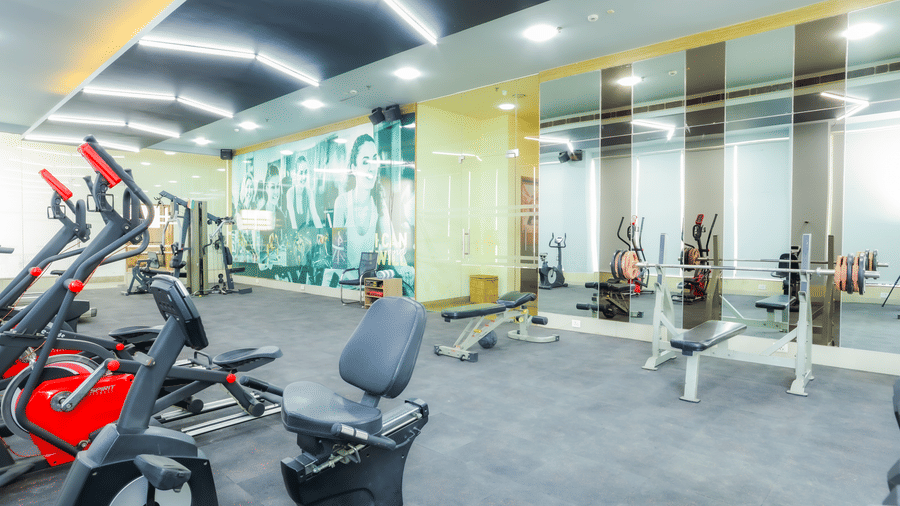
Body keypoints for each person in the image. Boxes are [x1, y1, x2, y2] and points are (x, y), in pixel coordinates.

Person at [332, 134, 391, 271]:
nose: (371, 168)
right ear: (354, 167)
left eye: (374, 160)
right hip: (346, 284)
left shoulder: (378, 202)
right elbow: (338, 258)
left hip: (369, 283)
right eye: (365, 162)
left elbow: (390, 246)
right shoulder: (342, 203)